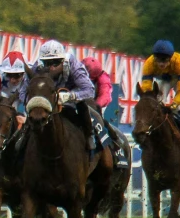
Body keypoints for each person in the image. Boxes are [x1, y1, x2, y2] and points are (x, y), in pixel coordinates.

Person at [8, 40, 122, 169]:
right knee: (34, 118)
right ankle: (19, 149)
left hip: (71, 99)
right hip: (47, 102)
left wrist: (71, 96)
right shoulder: (36, 68)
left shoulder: (73, 65)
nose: (51, 67)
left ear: (63, 61)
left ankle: (92, 137)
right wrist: (34, 102)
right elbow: (23, 92)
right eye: (47, 63)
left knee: (85, 108)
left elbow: (89, 89)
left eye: (55, 63)